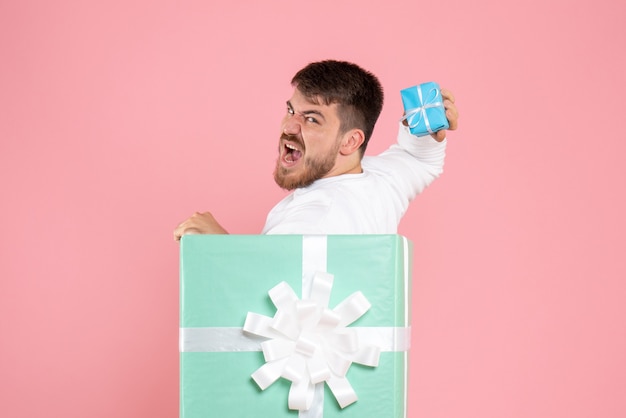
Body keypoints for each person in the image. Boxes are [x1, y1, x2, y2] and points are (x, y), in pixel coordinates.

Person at [173, 60, 458, 238]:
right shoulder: (382, 181)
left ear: (351, 141)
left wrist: (216, 246)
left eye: (311, 119)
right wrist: (424, 127)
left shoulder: (316, 219)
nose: (289, 126)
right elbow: (417, 161)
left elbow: (262, 297)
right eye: (291, 110)